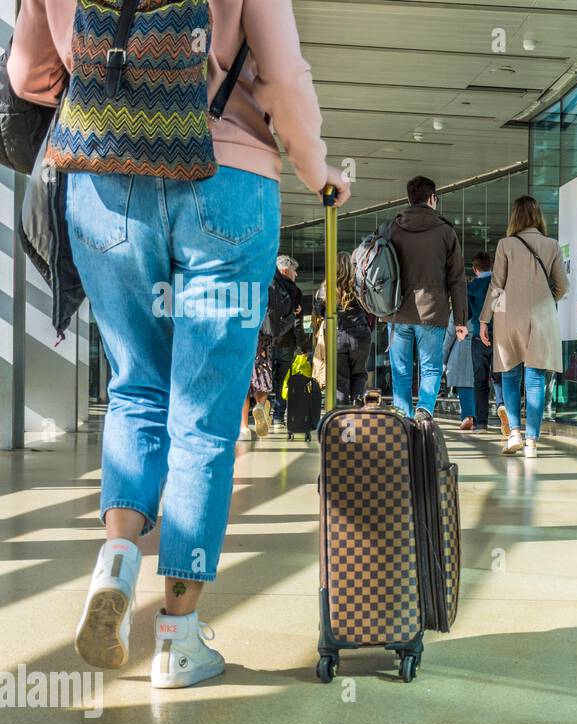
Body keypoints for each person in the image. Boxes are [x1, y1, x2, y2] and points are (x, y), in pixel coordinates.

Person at [11, 0, 351, 687]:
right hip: (225, 186)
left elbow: (27, 73)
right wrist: (320, 172)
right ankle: (178, 639)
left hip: (104, 186)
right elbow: (283, 77)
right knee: (203, 418)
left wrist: (113, 89)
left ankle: (116, 559)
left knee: (136, 387)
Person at [479, 196, 568, 458]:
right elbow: (562, 286)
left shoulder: (506, 244)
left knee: (509, 374)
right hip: (541, 318)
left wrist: (485, 319)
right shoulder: (552, 245)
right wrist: (544, 298)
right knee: (536, 378)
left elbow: (497, 286)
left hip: (509, 318)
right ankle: (531, 443)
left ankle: (514, 434)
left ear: (514, 217)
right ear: (538, 216)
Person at [387, 175, 468, 417]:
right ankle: (424, 412)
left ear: (409, 199)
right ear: (432, 198)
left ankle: (403, 419)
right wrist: (461, 320)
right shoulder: (445, 231)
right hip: (432, 312)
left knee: (400, 371)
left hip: (397, 311)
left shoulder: (393, 228)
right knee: (430, 368)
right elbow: (457, 279)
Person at [312, 253, 373, 406]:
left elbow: (318, 312)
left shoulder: (325, 288)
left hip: (336, 334)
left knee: (340, 380)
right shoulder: (359, 285)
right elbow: (371, 308)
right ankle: (357, 409)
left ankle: (341, 417)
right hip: (360, 333)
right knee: (359, 374)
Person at [266, 255, 309, 427]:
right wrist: (303, 344)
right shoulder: (294, 291)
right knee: (283, 381)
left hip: (266, 341)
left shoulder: (268, 286)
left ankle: (263, 408)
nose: (296, 275)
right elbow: (297, 321)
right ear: (285, 271)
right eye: (294, 271)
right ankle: (278, 416)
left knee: (265, 378)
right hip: (286, 341)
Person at [466, 252, 498, 434]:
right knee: (501, 378)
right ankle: (505, 415)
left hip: (479, 337)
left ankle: (481, 424)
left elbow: (468, 315)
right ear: (492, 266)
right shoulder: (498, 285)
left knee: (480, 381)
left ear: (475, 269)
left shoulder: (471, 288)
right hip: (499, 335)